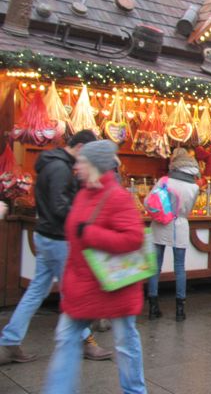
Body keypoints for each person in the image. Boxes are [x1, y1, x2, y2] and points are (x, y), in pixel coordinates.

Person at [43, 140, 147, 393]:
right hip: (84, 285)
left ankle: (135, 390)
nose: (76, 166)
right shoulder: (83, 194)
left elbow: (134, 238)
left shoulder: (118, 197)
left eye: (82, 162)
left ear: (96, 166)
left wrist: (91, 234)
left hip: (114, 284)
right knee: (66, 338)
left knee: (124, 341)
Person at [0, 130, 112, 366]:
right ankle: (85, 342)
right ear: (80, 147)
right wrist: (84, 221)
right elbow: (60, 205)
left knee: (36, 291)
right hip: (59, 238)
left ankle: (9, 340)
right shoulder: (61, 169)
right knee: (73, 291)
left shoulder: (51, 163)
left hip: (46, 235)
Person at [147, 148, 200, 322]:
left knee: (155, 266)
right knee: (179, 267)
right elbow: (189, 209)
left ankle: (153, 307)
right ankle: (180, 310)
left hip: (161, 224)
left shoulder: (164, 181)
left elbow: (148, 201)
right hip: (180, 225)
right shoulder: (194, 187)